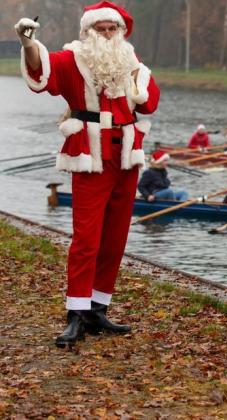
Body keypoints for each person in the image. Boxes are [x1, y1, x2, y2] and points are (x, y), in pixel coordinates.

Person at [16, 2, 160, 346]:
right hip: (90, 155)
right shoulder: (73, 59)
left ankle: (98, 307)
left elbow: (149, 103)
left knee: (115, 236)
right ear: (88, 31)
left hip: (126, 156)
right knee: (87, 236)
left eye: (113, 29)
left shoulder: (133, 64)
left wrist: (137, 75)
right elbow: (42, 72)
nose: (107, 34)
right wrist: (28, 44)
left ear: (121, 32)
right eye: (101, 29)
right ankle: (75, 312)